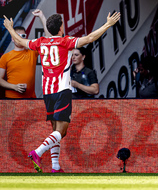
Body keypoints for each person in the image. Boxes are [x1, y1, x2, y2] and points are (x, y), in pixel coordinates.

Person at [3, 10, 120, 173]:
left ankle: (56, 167)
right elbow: (90, 38)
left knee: (55, 130)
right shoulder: (66, 42)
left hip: (47, 93)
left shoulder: (40, 42)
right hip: (62, 91)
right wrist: (108, 24)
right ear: (60, 28)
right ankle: (37, 152)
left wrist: (9, 28)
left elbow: (20, 42)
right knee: (61, 131)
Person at [0, 26, 38, 98]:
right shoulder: (5, 57)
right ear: (12, 39)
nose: (20, 38)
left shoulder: (32, 52)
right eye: (17, 36)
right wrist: (14, 87)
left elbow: (48, 39)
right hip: (11, 98)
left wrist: (41, 15)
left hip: (31, 99)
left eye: (23, 36)